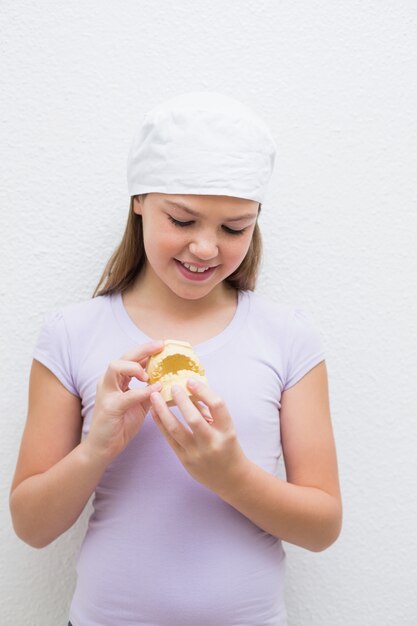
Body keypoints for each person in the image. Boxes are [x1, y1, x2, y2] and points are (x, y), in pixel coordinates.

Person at [10, 91, 342, 626]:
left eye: (235, 227)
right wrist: (97, 448)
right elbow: (31, 525)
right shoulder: (71, 333)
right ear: (140, 200)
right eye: (183, 221)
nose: (207, 248)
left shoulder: (287, 336)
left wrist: (230, 474)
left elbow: (323, 527)